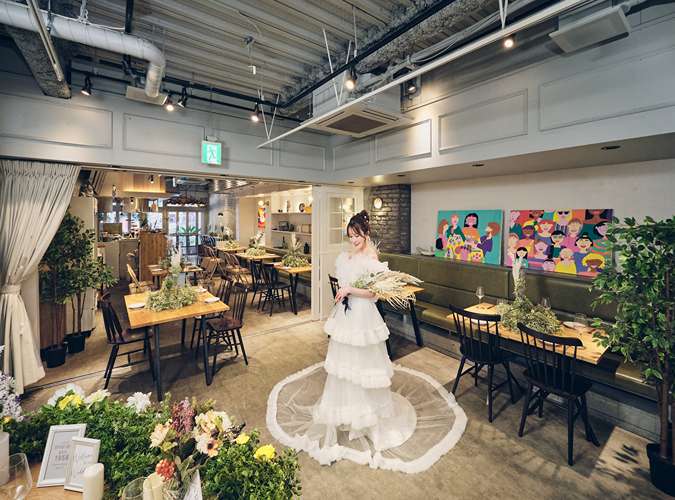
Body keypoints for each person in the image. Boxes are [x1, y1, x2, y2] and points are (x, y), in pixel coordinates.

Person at [267, 210, 467, 472]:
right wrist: (343, 291)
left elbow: (374, 295)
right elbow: (346, 282)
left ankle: (366, 416)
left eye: (357, 236)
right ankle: (346, 410)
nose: (353, 241)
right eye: (350, 236)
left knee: (363, 364)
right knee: (344, 365)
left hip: (363, 316)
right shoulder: (345, 256)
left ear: (366, 234)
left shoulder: (372, 258)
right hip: (347, 315)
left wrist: (350, 290)